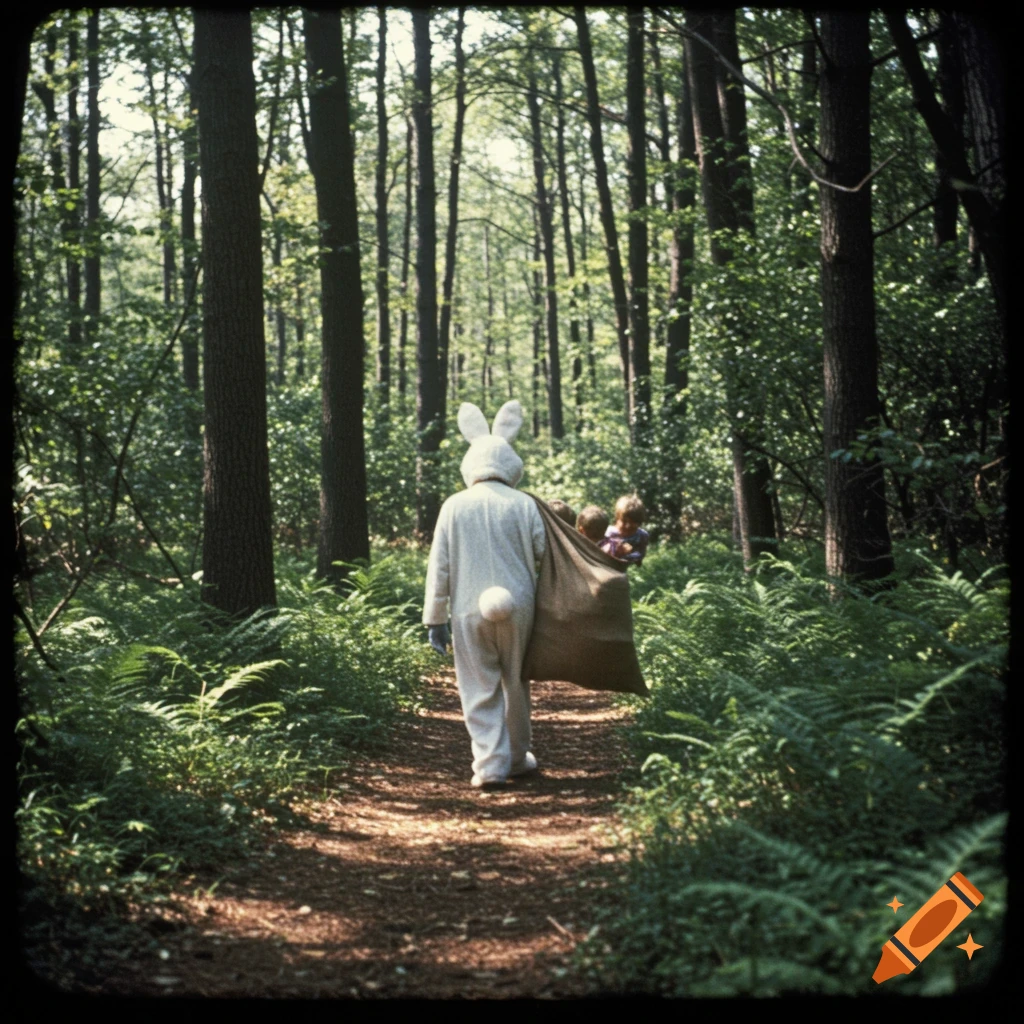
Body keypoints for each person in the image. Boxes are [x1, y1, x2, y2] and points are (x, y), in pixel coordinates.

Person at [423, 400, 546, 789]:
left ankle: (491, 764)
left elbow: (440, 565)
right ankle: (517, 758)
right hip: (520, 608)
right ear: (511, 463)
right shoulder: (526, 504)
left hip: (467, 609)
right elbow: (544, 555)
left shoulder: (454, 506)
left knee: (478, 685)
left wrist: (435, 618)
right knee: (516, 683)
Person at [604, 494, 650, 567]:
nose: (628, 526)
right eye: (624, 521)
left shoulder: (642, 536)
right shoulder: (608, 533)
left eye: (633, 522)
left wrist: (631, 555)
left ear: (639, 523)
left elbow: (641, 554)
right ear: (617, 518)